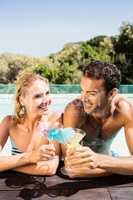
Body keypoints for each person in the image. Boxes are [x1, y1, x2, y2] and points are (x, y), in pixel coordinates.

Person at [62, 60, 133, 178]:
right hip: (112, 161)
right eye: (82, 91)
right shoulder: (74, 111)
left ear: (111, 93)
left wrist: (99, 160)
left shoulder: (124, 111)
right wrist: (122, 167)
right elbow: (72, 166)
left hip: (109, 159)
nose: (83, 98)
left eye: (92, 93)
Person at [0, 70, 61, 175]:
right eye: (38, 96)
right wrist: (30, 157)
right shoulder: (9, 123)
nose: (46, 100)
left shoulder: (54, 121)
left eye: (47, 93)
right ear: (22, 100)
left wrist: (8, 165)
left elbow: (50, 168)